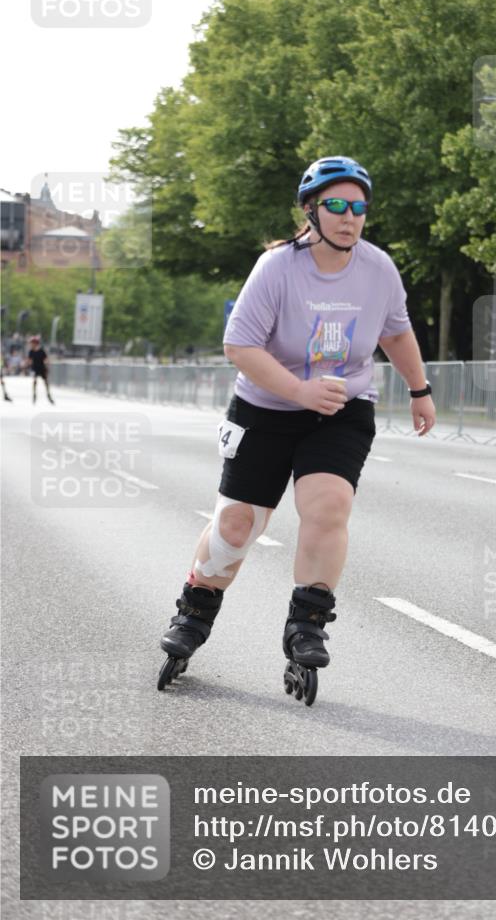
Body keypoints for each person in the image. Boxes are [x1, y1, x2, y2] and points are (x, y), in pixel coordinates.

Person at [157, 156, 436, 700]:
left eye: (358, 207)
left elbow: (396, 333)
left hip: (341, 410)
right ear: (311, 209)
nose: (349, 217)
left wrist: (419, 389)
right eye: (336, 205)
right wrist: (299, 389)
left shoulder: (378, 269)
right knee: (238, 525)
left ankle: (307, 623)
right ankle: (194, 613)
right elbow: (239, 346)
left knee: (329, 505)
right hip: (265, 408)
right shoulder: (278, 268)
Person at [26, 335, 55, 404]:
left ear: (36, 343)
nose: (31, 345)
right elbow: (29, 360)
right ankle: (34, 395)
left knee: (46, 382)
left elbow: (46, 359)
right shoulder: (31, 351)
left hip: (42, 368)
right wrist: (28, 364)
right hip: (35, 369)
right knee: (35, 381)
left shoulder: (41, 351)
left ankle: (48, 394)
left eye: (32, 343)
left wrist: (47, 365)